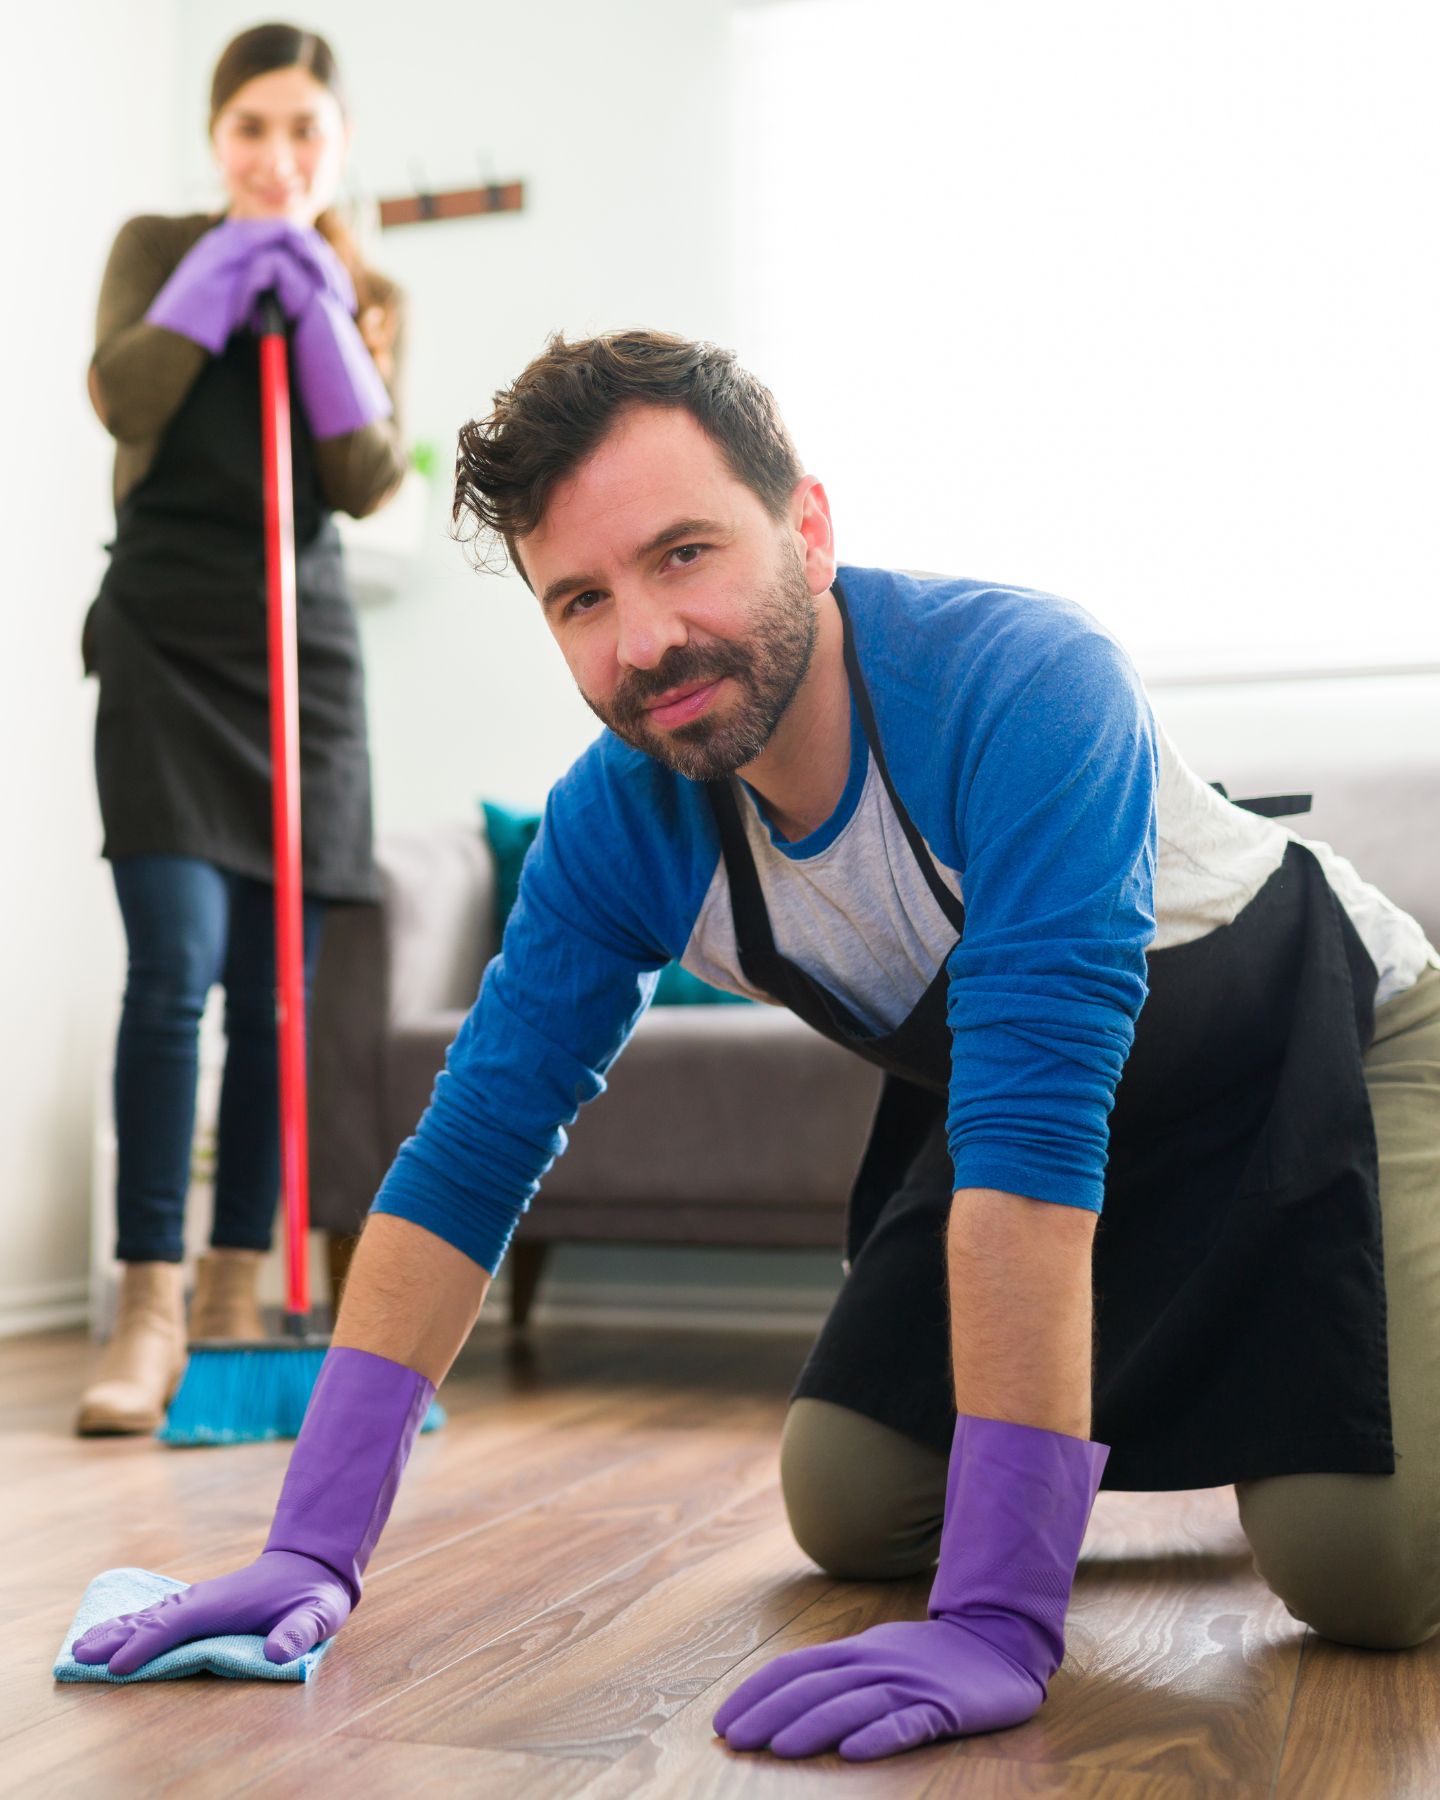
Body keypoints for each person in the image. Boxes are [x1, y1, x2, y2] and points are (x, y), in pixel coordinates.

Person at [74, 332, 1440, 1762]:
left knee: (1370, 1569)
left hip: (1316, 1050)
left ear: (809, 526)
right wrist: (311, 1549)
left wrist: (997, 1615)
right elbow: (469, 1153)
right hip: (1035, 1133)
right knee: (848, 1499)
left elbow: (1035, 1140)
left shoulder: (1029, 688)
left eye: (683, 555)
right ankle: (1152, 1430)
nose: (644, 642)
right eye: (582, 600)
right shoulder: (617, 822)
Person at [76, 22, 406, 1436]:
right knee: (177, 975)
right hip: (170, 639)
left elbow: (371, 475)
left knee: (282, 996)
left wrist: (323, 313)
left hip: (301, 660)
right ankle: (148, 1300)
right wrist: (222, 281)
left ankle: (233, 1296)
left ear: (337, 146)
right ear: (218, 137)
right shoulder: (156, 246)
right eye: (253, 129)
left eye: (305, 134)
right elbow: (124, 395)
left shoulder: (367, 281)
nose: (279, 157)